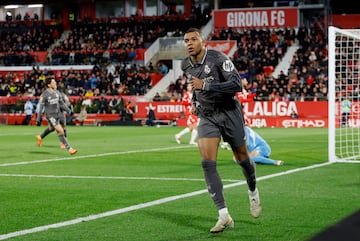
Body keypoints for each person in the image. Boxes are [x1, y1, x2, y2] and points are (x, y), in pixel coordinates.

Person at [182, 28, 261, 234]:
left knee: (242, 157)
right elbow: (195, 86)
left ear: (203, 42)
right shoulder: (186, 65)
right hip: (207, 115)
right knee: (207, 164)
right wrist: (194, 100)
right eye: (186, 40)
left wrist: (206, 87)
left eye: (193, 39)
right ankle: (224, 215)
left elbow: (236, 85)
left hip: (229, 112)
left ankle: (253, 191)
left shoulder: (218, 58)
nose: (189, 43)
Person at [35, 77, 77, 155]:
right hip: (50, 116)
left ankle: (40, 137)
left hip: (58, 114)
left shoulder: (57, 93)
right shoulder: (44, 95)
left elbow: (62, 104)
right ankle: (69, 149)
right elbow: (40, 108)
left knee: (51, 129)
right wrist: (38, 119)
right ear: (49, 85)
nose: (55, 83)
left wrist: (68, 110)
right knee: (60, 130)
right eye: (53, 82)